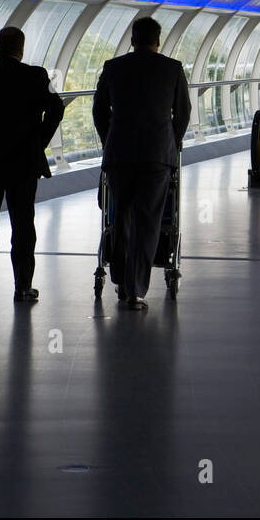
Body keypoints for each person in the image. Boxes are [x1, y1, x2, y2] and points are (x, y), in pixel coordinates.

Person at [0, 26, 65, 312]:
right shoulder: (35, 76)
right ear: (21, 48)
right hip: (22, 160)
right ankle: (22, 287)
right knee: (22, 223)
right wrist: (38, 140)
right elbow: (56, 108)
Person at [92, 17, 192, 310]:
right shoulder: (172, 69)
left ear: (132, 40)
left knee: (120, 216)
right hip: (157, 157)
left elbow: (99, 110)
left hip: (120, 155)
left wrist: (109, 138)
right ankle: (135, 290)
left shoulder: (113, 68)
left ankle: (121, 280)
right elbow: (182, 114)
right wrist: (170, 144)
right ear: (157, 41)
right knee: (148, 221)